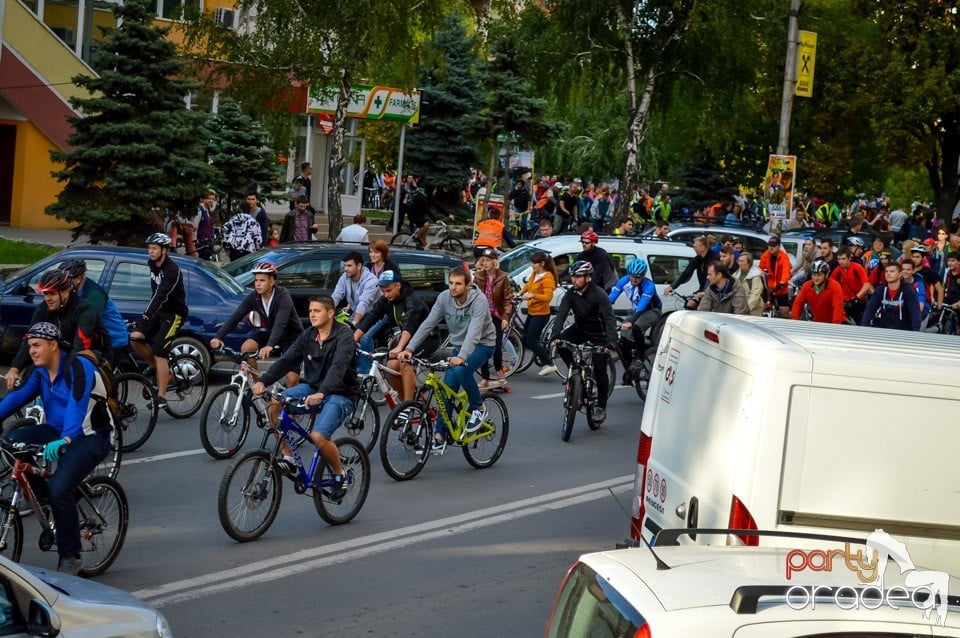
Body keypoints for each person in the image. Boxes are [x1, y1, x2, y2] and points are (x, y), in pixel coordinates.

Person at [0, 322, 112, 575]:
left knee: (61, 487)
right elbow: (16, 398)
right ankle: (45, 499)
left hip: (89, 436)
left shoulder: (78, 367)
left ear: (53, 345)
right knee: (11, 442)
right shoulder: (39, 372)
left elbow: (77, 404)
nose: (32, 351)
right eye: (30, 346)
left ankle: (71, 555)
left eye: (37, 345)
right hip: (56, 431)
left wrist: (67, 439)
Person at [251, 296, 355, 499]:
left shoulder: (344, 336)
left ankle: (339, 474)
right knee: (275, 403)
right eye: (310, 311)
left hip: (340, 394)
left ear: (331, 313)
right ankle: (288, 457)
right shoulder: (308, 335)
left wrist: (322, 393)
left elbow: (338, 368)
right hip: (312, 388)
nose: (312, 315)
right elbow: (287, 359)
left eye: (317, 311)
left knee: (318, 436)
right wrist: (263, 380)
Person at [400, 267, 496, 450]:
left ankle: (478, 407)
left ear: (469, 284)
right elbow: (428, 323)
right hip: (460, 347)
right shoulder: (444, 298)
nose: (453, 287)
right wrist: (409, 348)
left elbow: (474, 333)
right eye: (451, 283)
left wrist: (461, 356)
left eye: (458, 283)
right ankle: (440, 435)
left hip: (483, 344)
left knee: (461, 370)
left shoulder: (479, 301)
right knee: (445, 388)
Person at [3, 269, 110, 391]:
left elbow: (80, 346)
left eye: (52, 294)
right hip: (64, 352)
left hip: (93, 355)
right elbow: (30, 338)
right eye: (45, 294)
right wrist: (15, 369)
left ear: (65, 292)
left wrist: (60, 375)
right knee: (32, 375)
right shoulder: (44, 308)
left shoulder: (84, 310)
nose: (48, 298)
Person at [209, 262, 302, 385]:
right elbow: (237, 316)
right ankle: (258, 384)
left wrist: (270, 345)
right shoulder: (255, 296)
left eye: (262, 280)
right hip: (270, 333)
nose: (257, 284)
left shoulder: (283, 297)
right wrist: (219, 336)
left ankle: (289, 400)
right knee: (247, 347)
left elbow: (281, 323)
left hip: (292, 337)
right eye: (256, 280)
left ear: (272, 281)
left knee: (291, 379)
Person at [549, 261, 618, 425]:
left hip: (599, 335)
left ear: (588, 278)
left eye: (578, 277)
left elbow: (609, 318)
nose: (574, 280)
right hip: (580, 329)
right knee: (561, 344)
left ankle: (601, 408)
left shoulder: (599, 294)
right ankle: (575, 372)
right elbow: (561, 315)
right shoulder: (571, 294)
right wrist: (555, 334)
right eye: (573, 276)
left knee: (600, 370)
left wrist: (611, 342)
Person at [355, 271, 438, 401]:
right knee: (391, 367)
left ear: (398, 285)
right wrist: (353, 339)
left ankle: (409, 406)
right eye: (383, 291)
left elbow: (409, 325)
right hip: (407, 339)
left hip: (427, 339)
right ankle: (406, 400)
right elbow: (370, 318)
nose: (386, 295)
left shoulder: (412, 300)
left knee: (404, 362)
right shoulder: (387, 300)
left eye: (389, 290)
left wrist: (400, 347)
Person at [129, 233, 188, 410]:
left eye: (154, 248)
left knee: (159, 351)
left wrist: (146, 315)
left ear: (164, 250)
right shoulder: (152, 264)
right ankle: (159, 369)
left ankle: (161, 396)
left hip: (174, 314)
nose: (151, 251)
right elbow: (154, 293)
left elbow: (161, 295)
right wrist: (146, 317)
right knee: (135, 338)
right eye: (149, 248)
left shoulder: (172, 271)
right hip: (159, 312)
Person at [60, 259, 129, 366]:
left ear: (79, 278)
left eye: (67, 280)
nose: (63, 283)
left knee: (99, 375)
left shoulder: (94, 294)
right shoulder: (75, 290)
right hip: (97, 337)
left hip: (113, 339)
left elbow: (89, 324)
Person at [609, 258, 662, 385]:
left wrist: (630, 322)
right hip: (635, 311)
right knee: (622, 341)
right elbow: (610, 298)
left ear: (643, 276)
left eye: (637, 278)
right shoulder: (624, 280)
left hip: (651, 310)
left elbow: (642, 306)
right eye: (632, 276)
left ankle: (640, 357)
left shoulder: (649, 285)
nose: (633, 280)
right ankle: (630, 371)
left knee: (636, 327)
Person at [331, 251, 381, 374]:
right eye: (345, 266)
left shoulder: (371, 280)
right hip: (357, 312)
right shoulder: (344, 277)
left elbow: (363, 303)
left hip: (377, 314)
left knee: (364, 336)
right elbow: (336, 296)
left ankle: (365, 372)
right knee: (337, 332)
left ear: (359, 266)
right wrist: (326, 311)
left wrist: (354, 323)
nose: (346, 269)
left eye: (349, 266)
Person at [473, 248, 514, 388]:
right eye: (483, 260)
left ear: (494, 262)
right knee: (483, 346)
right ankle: (485, 377)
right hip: (483, 316)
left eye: (488, 261)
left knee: (496, 347)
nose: (485, 263)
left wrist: (505, 317)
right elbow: (473, 295)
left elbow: (508, 299)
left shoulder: (502, 277)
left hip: (496, 316)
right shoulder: (478, 276)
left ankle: (498, 369)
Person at [520, 251, 558, 377]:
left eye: (535, 263)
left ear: (542, 264)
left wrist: (533, 295)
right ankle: (542, 357)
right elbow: (528, 286)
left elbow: (547, 297)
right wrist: (519, 293)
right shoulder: (535, 274)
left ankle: (549, 364)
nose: (532, 266)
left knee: (531, 340)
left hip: (541, 313)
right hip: (532, 311)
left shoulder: (548, 277)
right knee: (525, 337)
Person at [861, 262, 921, 331]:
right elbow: (870, 310)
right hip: (884, 330)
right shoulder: (880, 290)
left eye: (892, 271)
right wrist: (864, 328)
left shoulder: (908, 291)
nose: (888, 274)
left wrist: (915, 332)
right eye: (887, 271)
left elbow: (915, 313)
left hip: (904, 331)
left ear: (900, 274)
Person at [664, 236, 719, 309]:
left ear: (702, 248)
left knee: (703, 307)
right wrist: (672, 286)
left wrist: (705, 291)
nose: (693, 249)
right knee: (690, 304)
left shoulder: (714, 259)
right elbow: (686, 273)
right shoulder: (698, 259)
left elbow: (710, 278)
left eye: (695, 247)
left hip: (713, 290)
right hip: (702, 289)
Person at [831, 247, 872, 324]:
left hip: (858, 302)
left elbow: (866, 285)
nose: (840, 262)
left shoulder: (857, 267)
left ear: (850, 258)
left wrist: (856, 298)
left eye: (843, 259)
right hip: (844, 304)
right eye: (839, 259)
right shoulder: (837, 270)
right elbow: (831, 286)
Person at [759, 236, 792, 317]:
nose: (771, 248)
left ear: (778, 246)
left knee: (784, 312)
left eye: (774, 246)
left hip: (781, 288)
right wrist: (763, 272)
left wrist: (782, 283)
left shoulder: (784, 256)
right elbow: (760, 268)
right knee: (763, 310)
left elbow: (786, 271)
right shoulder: (765, 255)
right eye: (770, 245)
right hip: (768, 289)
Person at [194, 189, 216, 260]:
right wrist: (194, 245)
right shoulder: (199, 210)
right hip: (201, 245)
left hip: (207, 244)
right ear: (203, 199)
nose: (211, 201)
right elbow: (194, 227)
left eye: (213, 199)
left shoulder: (208, 211)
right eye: (209, 198)